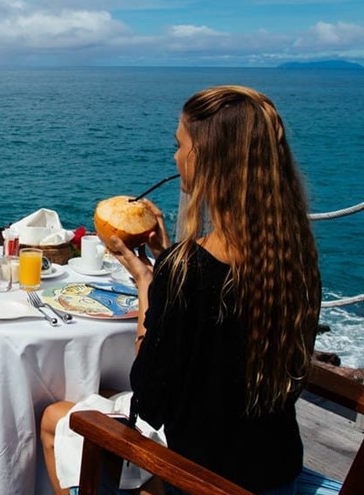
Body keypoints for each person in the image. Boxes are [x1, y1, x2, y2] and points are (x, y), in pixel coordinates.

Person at [41, 85, 321, 494]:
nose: (175, 157)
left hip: (197, 479)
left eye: (180, 145)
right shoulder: (293, 257)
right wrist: (166, 258)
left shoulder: (187, 269)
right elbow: (220, 340)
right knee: (105, 394)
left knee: (55, 418)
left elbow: (150, 401)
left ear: (205, 158)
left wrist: (147, 281)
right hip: (274, 470)